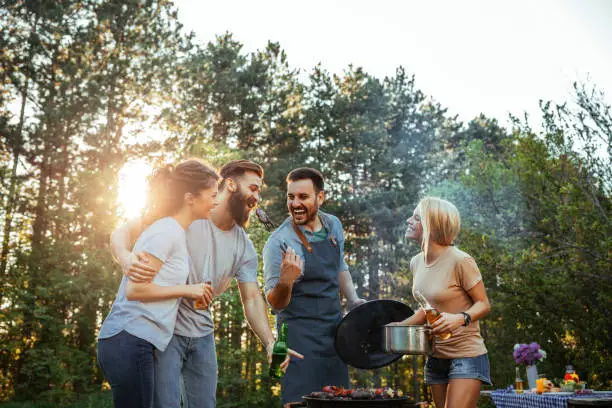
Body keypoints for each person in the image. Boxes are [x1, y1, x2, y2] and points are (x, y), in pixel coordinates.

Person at [110, 159, 303, 408]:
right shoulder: (186, 215)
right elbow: (121, 232)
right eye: (253, 188)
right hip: (166, 330)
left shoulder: (244, 246)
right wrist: (125, 258)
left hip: (202, 335)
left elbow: (252, 298)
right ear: (230, 184)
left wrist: (270, 342)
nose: (257, 197)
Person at [98, 159, 219, 408]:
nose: (216, 201)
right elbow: (135, 289)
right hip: (128, 339)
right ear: (190, 197)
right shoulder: (166, 231)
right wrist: (187, 290)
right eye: (212, 195)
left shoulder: (174, 231)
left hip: (136, 342)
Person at [264, 167, 365, 406]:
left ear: (320, 197)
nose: (295, 203)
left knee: (339, 401)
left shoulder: (333, 226)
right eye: (291, 197)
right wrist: (286, 281)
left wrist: (354, 300)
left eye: (303, 197)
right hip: (297, 341)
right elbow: (274, 302)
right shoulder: (277, 242)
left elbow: (340, 268)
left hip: (334, 334)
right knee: (302, 403)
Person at [392, 196, 491, 408]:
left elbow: (483, 304)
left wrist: (460, 318)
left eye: (416, 218)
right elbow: (427, 308)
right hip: (436, 358)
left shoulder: (460, 260)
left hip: (467, 355)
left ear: (432, 225)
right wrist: (398, 328)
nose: (409, 220)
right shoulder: (416, 262)